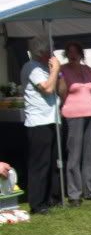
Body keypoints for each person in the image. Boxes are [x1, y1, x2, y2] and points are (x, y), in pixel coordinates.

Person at [58, 41, 91, 204]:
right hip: (73, 114)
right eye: (69, 52)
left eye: (75, 52)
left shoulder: (87, 69)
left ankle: (90, 190)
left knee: (89, 154)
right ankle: (74, 194)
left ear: (80, 54)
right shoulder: (63, 70)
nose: (73, 55)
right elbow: (62, 90)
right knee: (74, 154)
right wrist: (66, 101)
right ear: (66, 54)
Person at [20, 38, 61, 215]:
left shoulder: (46, 68)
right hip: (38, 121)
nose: (53, 53)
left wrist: (59, 73)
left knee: (53, 163)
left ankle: (51, 197)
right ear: (42, 52)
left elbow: (61, 89)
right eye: (50, 50)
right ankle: (37, 203)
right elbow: (47, 88)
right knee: (40, 164)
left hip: (52, 118)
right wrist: (56, 70)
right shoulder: (32, 67)